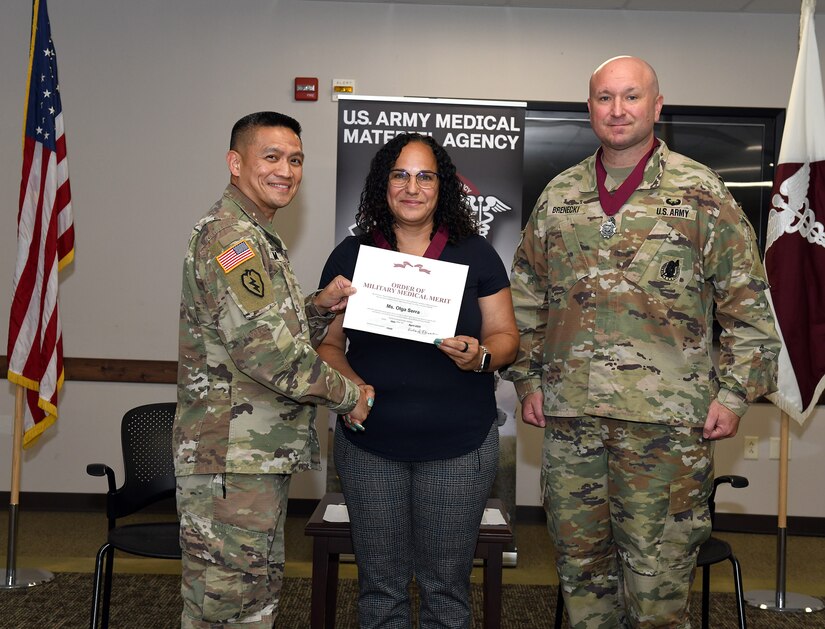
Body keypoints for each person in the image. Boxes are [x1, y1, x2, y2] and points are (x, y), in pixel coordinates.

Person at [501, 56, 780, 628]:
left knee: (657, 582)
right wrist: (527, 378)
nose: (618, 109)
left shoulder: (700, 193)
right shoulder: (560, 196)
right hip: (572, 422)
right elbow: (524, 298)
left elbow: (750, 309)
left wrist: (732, 396)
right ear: (590, 109)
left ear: (656, 106)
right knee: (582, 574)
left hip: (666, 431)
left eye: (631, 97)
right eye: (605, 98)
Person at [173, 111, 374, 629]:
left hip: (249, 458)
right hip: (231, 461)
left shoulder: (257, 238)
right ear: (235, 163)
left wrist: (319, 308)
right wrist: (350, 395)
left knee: (250, 603)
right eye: (271, 157)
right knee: (227, 609)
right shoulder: (231, 240)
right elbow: (268, 356)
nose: (286, 169)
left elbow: (265, 335)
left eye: (296, 159)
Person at [317, 132, 519, 628]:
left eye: (425, 175)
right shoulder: (353, 254)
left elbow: (506, 336)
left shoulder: (475, 253)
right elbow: (327, 345)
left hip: (460, 449)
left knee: (447, 591)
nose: (412, 186)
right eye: (400, 174)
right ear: (383, 184)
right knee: (379, 590)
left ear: (442, 186)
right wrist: (351, 386)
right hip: (370, 446)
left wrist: (481, 356)